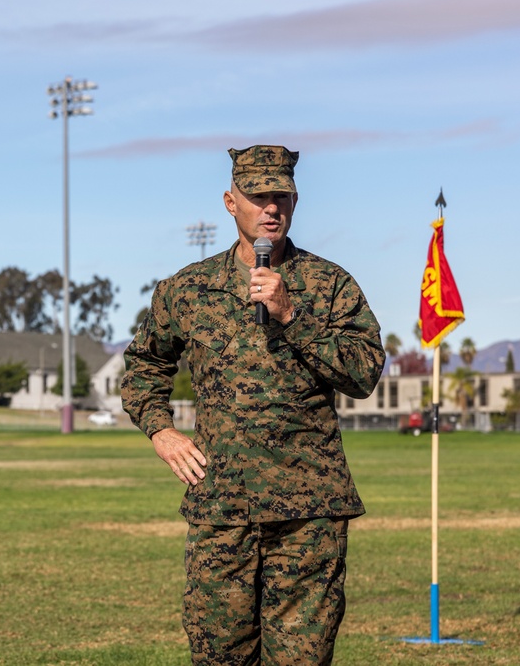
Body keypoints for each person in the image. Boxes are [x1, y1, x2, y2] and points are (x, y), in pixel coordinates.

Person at [121, 145, 385, 665]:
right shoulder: (187, 289)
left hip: (309, 508)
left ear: (295, 200)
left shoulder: (329, 285)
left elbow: (363, 373)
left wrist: (292, 315)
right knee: (219, 656)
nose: (271, 208)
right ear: (230, 201)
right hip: (221, 504)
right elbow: (143, 368)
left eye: (281, 196)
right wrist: (162, 431)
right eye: (258, 196)